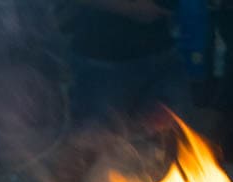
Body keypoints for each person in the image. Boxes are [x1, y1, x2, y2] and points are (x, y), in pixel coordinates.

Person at [59, 0, 192, 126]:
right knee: (95, 138)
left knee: (162, 136)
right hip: (105, 61)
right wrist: (128, 8)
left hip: (169, 52)